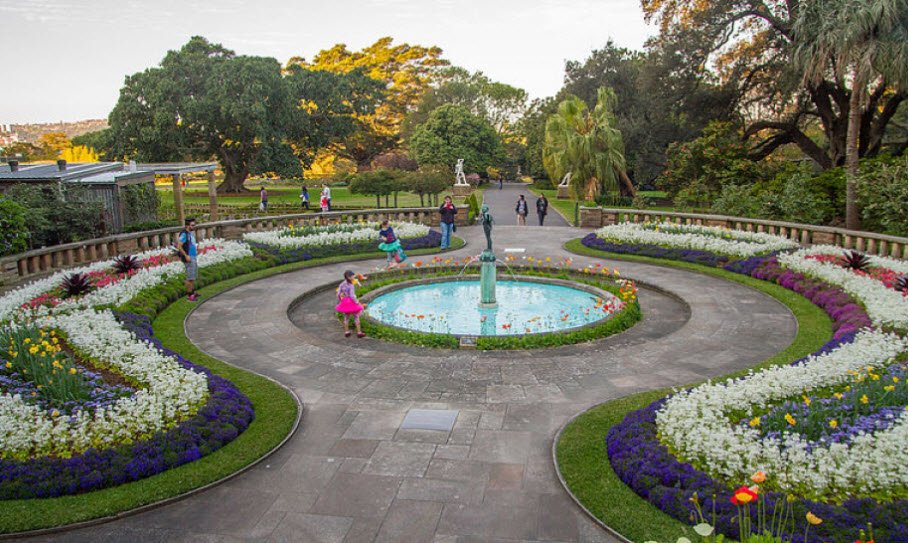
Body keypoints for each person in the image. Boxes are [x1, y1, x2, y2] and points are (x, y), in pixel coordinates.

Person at [335, 270, 365, 338]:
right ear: (348, 277)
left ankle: (346, 332)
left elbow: (338, 294)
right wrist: (356, 302)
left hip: (345, 301)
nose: (354, 277)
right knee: (356, 316)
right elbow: (352, 295)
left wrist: (341, 301)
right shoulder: (350, 285)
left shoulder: (342, 284)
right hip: (351, 302)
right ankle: (359, 332)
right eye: (352, 276)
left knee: (346, 317)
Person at [177, 217, 199, 302]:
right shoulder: (184, 234)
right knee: (190, 278)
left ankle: (192, 293)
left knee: (193, 277)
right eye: (192, 225)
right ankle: (190, 296)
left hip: (193, 256)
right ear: (187, 226)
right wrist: (186, 255)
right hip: (189, 258)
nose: (194, 227)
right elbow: (179, 246)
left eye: (194, 225)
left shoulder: (190, 233)